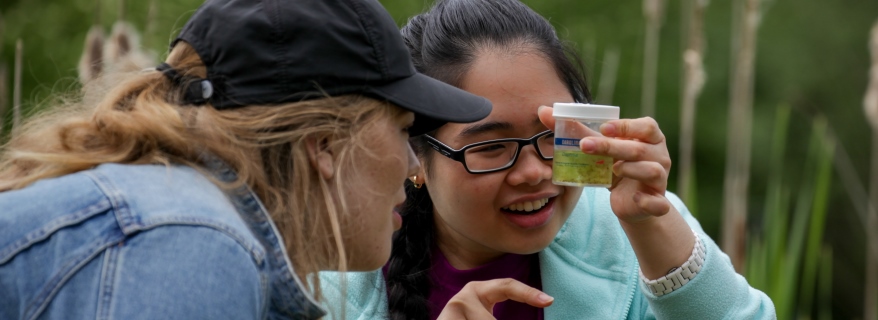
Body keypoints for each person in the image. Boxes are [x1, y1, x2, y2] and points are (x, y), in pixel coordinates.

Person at [0, 0, 493, 319]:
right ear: (324, 145)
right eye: (405, 129)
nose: (412, 165)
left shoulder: (192, 222)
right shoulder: (189, 240)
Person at [319, 0, 776, 319]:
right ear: (416, 157)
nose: (535, 172)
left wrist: (651, 224)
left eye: (553, 136)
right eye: (491, 147)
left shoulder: (629, 229)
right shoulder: (335, 276)